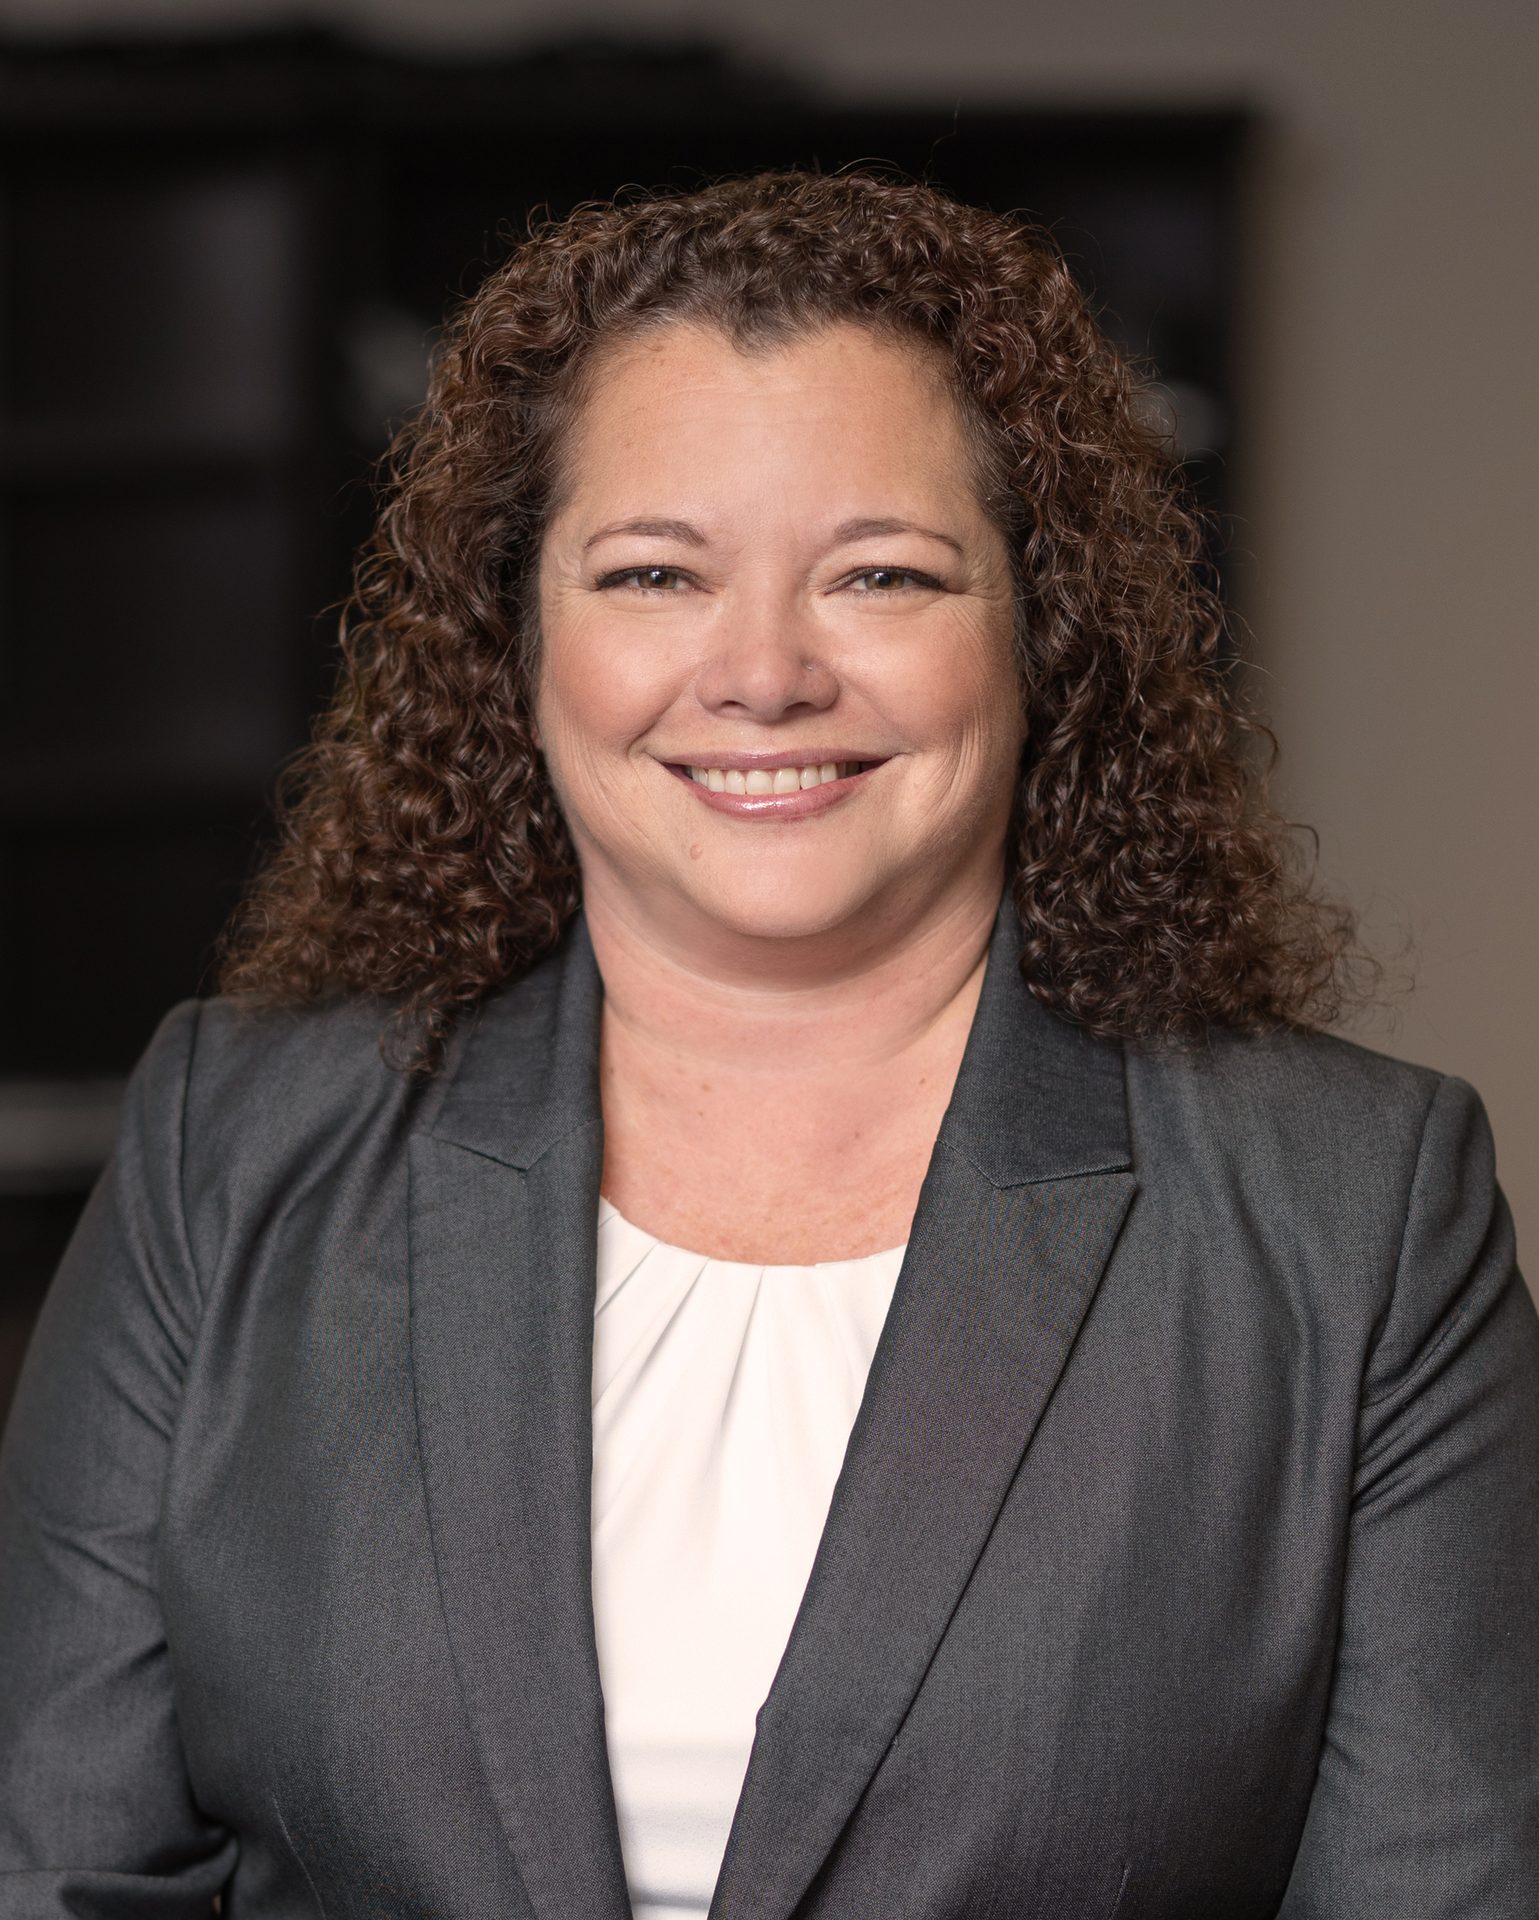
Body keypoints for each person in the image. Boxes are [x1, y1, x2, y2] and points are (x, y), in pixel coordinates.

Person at [0, 168, 1534, 1920]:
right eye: (655, 572)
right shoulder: (234, 1140)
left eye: (880, 574)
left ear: (1040, 633)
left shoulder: (1355, 1214)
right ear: (519, 639)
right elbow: (59, 1864)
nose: (762, 673)